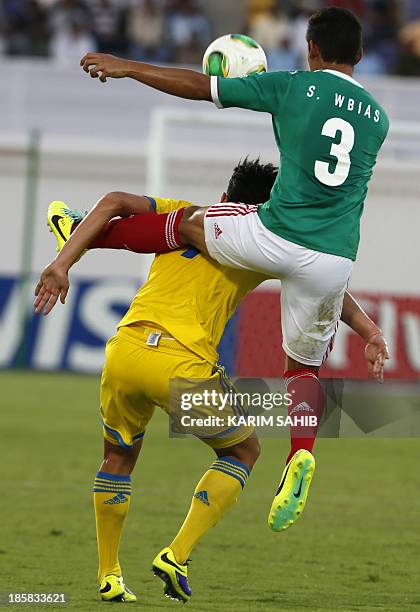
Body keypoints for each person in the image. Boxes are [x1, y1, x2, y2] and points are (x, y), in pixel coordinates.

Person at [74, 7, 390, 532]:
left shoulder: (292, 86)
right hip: (334, 258)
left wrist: (129, 66)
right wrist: (371, 330)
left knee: (191, 222)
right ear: (359, 55)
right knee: (303, 371)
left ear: (311, 49)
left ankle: (92, 233)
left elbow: (201, 86)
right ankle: (300, 455)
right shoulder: (377, 119)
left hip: (273, 233)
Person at [34, 159, 389, 603]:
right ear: (272, 209)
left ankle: (109, 574)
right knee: (243, 450)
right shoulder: (263, 242)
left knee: (118, 456)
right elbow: (329, 288)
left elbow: (113, 205)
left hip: (124, 350)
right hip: (181, 364)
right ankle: (176, 555)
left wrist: (66, 252)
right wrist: (370, 331)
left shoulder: (182, 213)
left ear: (225, 196)